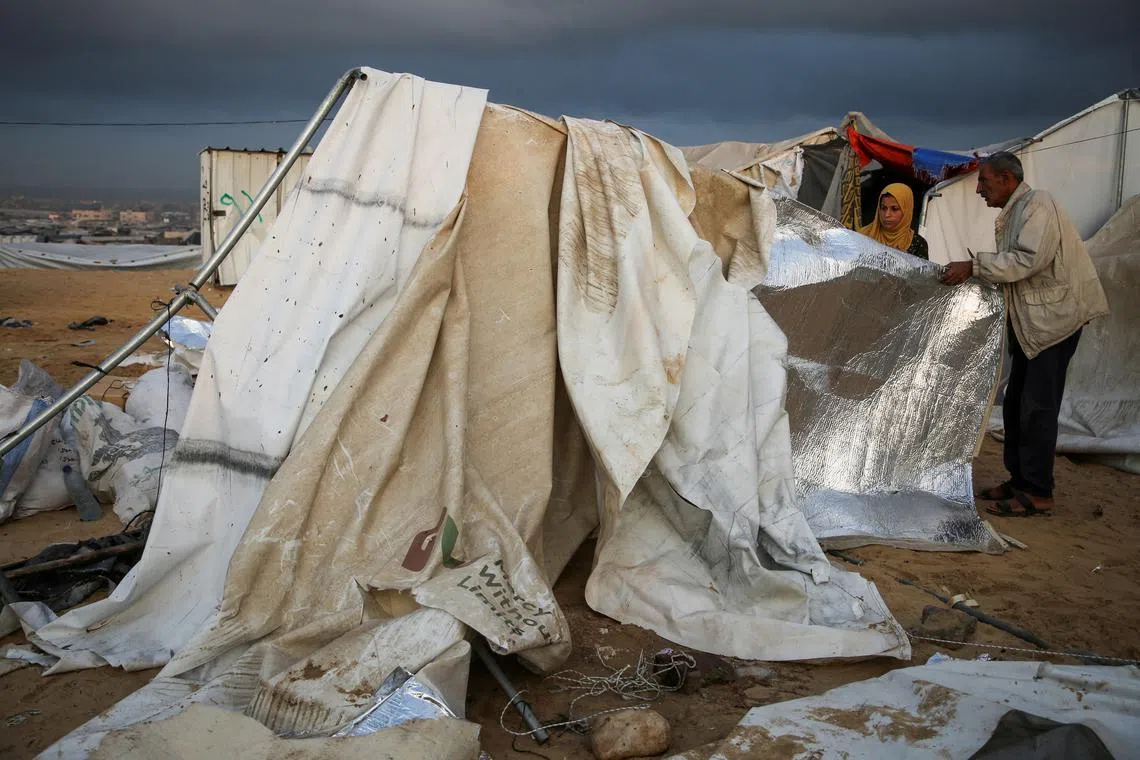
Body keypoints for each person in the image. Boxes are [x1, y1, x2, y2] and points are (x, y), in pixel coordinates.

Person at [941, 152, 1108, 517]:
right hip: (1035, 323)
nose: (979, 190)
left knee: (1037, 407)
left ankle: (1038, 490)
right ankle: (1020, 480)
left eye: (984, 181)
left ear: (1006, 178)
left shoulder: (1038, 205)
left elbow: (1027, 261)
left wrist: (974, 266)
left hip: (1055, 321)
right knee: (1017, 403)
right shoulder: (1016, 211)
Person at [859, 183, 929, 259]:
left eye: (894, 209)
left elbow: (924, 270)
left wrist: (906, 260)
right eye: (883, 208)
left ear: (906, 211)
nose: (887, 215)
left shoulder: (917, 244)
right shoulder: (862, 236)